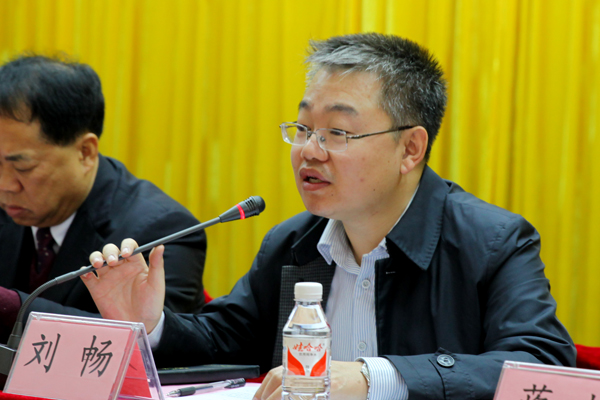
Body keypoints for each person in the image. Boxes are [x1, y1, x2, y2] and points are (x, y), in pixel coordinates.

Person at [82, 33, 575, 400]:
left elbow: (541, 366)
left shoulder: (492, 242)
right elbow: (228, 341)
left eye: (337, 132)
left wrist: (370, 377)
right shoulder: (293, 243)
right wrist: (150, 325)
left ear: (410, 148)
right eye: (302, 128)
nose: (308, 151)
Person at [0, 55, 207, 342]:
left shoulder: (163, 231)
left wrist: (10, 306)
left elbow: (153, 346)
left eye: (23, 167)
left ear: (85, 152)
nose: (5, 185)